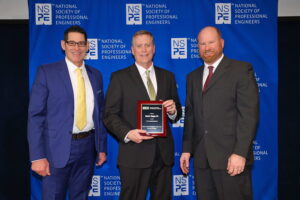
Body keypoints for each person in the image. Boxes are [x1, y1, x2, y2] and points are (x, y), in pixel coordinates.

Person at [27, 25, 107, 200]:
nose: (76, 48)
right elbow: (35, 117)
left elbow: (100, 114)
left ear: (87, 46)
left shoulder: (96, 75)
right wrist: (37, 156)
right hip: (56, 149)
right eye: (72, 43)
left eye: (81, 44)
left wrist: (101, 148)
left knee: (81, 196)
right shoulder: (46, 72)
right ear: (63, 44)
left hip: (87, 148)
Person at [180, 26, 259, 200]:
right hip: (202, 159)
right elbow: (191, 115)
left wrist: (240, 153)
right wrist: (186, 149)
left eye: (211, 42)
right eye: (202, 43)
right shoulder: (192, 77)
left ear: (222, 43)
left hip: (231, 159)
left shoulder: (241, 70)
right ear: (198, 47)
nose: (206, 47)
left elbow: (249, 115)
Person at [104, 30, 182, 200]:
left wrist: (173, 110)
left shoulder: (168, 76)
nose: (144, 50)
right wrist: (127, 133)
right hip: (134, 154)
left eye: (147, 45)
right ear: (132, 50)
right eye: (139, 46)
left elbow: (177, 113)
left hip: (163, 155)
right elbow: (109, 115)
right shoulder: (119, 78)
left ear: (154, 48)